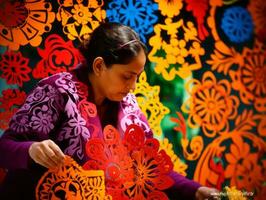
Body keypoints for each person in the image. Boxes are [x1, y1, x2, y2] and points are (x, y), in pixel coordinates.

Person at [0, 22, 219, 200]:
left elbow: (150, 168)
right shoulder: (57, 91)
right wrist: (32, 149)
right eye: (126, 76)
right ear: (98, 66)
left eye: (137, 77)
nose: (133, 86)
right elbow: (5, 148)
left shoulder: (130, 107)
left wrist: (197, 190)